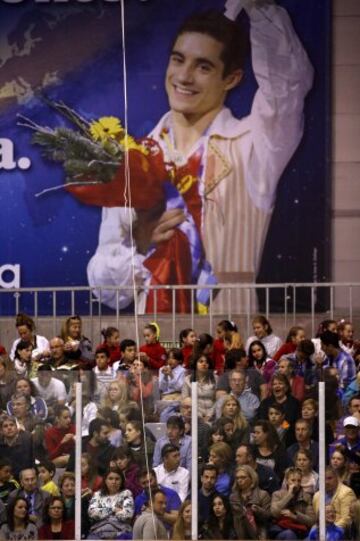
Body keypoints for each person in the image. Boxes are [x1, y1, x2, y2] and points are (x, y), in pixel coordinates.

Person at [78, 0, 313, 314]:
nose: (184, 77)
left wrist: (259, 10)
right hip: (152, 336)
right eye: (178, 60)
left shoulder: (252, 147)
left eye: (203, 67)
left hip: (229, 333)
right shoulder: (133, 160)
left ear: (231, 79)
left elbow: (288, 88)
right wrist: (139, 246)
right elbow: (108, 292)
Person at [87, 467, 134, 540]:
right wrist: (113, 509)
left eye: (117, 479)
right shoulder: (98, 495)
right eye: (110, 478)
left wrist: (102, 511)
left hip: (121, 531)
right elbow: (92, 513)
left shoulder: (126, 493)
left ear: (122, 481)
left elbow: (127, 515)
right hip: (98, 531)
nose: (114, 482)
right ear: (105, 480)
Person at [270, 466, 315, 540]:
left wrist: (294, 516)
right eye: (293, 480)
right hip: (282, 530)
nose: (296, 483)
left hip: (300, 530)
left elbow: (312, 521)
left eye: (299, 481)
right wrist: (289, 495)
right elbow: (274, 513)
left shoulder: (307, 497)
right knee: (289, 534)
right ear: (287, 481)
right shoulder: (277, 494)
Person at [230, 464, 271, 540]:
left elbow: (268, 517)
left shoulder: (262, 495)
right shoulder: (233, 497)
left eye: (243, 477)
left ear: (252, 478)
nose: (239, 480)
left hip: (259, 531)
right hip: (239, 532)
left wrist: (258, 510)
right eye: (237, 478)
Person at [313, 466, 357, 530]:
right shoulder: (317, 496)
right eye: (324, 479)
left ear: (337, 478)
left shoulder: (346, 493)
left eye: (329, 478)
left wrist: (330, 530)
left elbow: (347, 519)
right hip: (321, 532)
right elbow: (317, 519)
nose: (326, 482)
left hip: (339, 532)